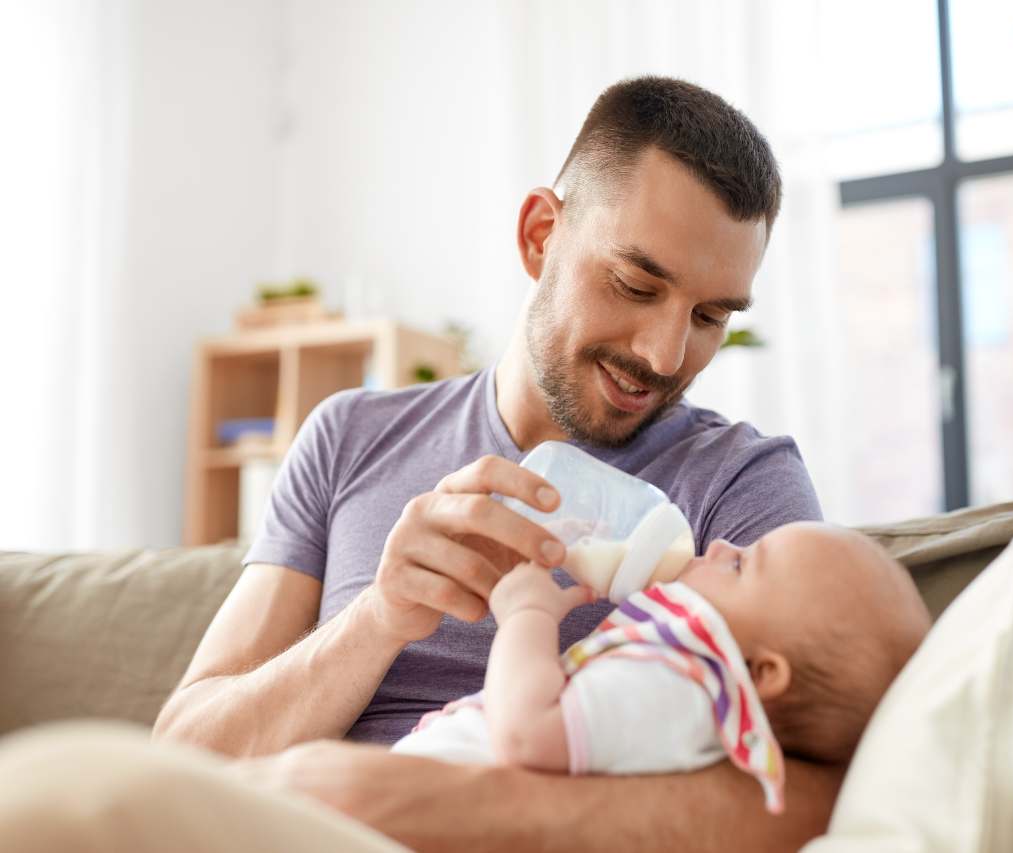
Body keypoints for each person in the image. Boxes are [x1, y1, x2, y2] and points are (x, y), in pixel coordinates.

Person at [0, 77, 843, 852]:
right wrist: (379, 616)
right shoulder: (350, 437)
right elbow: (185, 753)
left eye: (710, 314)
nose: (665, 353)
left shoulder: (741, 487)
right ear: (540, 235)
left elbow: (826, 793)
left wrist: (447, 803)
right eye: (634, 284)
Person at [392, 522, 932, 819]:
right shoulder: (682, 680)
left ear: (762, 672)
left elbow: (527, 736)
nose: (718, 544)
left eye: (741, 564)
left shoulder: (684, 686)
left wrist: (526, 616)